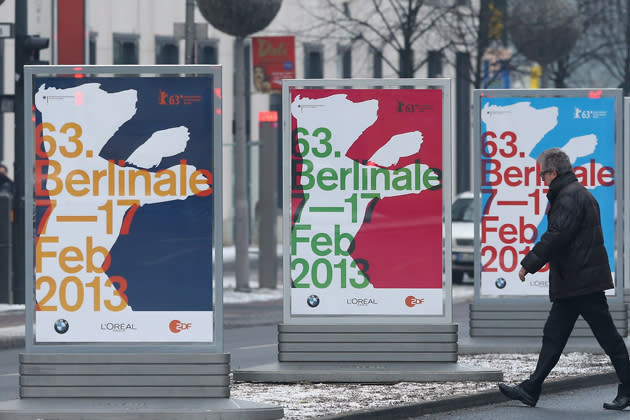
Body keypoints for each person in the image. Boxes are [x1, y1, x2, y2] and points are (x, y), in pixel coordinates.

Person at [497, 148, 630, 410]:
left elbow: (557, 234)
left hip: (581, 282)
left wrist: (528, 264)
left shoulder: (570, 197)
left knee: (607, 338)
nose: (540, 180)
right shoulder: (575, 193)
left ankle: (627, 388)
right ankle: (531, 388)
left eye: (542, 174)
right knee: (554, 335)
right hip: (575, 281)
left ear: (553, 172)